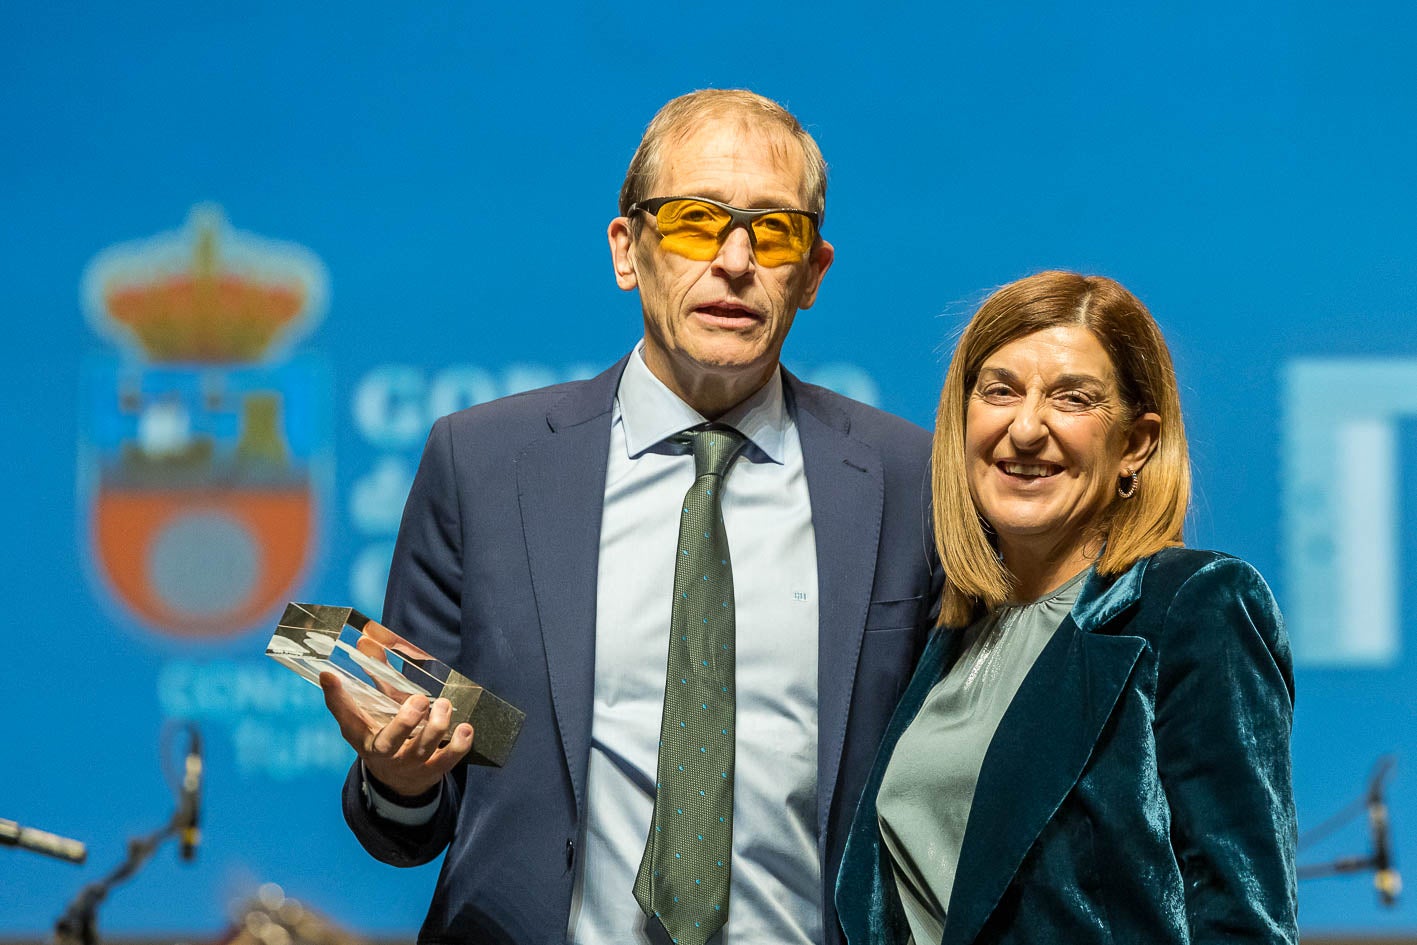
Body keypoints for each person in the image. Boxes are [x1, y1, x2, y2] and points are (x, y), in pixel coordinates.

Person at [319, 89, 943, 945]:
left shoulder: (906, 478)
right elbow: (407, 822)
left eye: (773, 231)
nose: (734, 260)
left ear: (813, 273)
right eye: (694, 221)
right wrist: (398, 773)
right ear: (626, 248)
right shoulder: (483, 463)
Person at [835, 271, 1298, 945]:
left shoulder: (1193, 606)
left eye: (1071, 398)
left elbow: (1244, 920)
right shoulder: (952, 634)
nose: (1025, 428)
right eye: (999, 390)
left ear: (1135, 444)